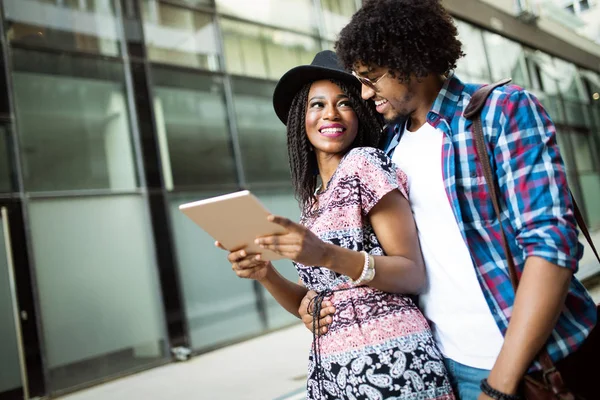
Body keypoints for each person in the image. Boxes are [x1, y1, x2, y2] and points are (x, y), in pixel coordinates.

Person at [297, 1, 598, 399]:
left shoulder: (498, 111)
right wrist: (315, 300)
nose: (366, 92)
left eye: (371, 77)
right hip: (444, 364)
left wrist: (500, 384)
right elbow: (384, 256)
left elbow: (552, 248)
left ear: (410, 61)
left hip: (538, 365)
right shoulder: (388, 146)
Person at [217, 50, 455, 400]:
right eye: (317, 105)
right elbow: (311, 300)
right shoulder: (314, 203)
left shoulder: (365, 164)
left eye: (344, 103)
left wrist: (326, 254)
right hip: (334, 372)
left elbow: (412, 272)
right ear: (302, 118)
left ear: (359, 114)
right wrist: (264, 272)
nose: (330, 113)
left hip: (390, 365)